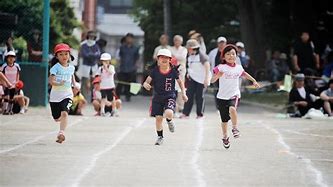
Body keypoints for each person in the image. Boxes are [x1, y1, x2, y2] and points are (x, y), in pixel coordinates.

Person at [211, 44, 260, 149]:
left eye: (233, 54)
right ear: (223, 57)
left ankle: (234, 128)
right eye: (228, 54)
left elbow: (244, 74)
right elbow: (212, 80)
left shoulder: (238, 67)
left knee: (232, 109)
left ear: (236, 56)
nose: (231, 56)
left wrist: (254, 81)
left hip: (234, 94)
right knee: (224, 120)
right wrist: (217, 76)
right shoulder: (220, 67)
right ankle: (225, 136)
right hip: (221, 97)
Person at [143, 49, 188, 145]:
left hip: (169, 96)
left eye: (166, 58)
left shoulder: (173, 71)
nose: (164, 59)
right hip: (157, 97)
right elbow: (147, 82)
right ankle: (160, 137)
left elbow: (181, 83)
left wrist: (184, 93)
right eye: (161, 57)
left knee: (169, 113)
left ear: (170, 59)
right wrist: (146, 85)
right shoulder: (154, 71)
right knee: (158, 119)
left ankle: (169, 120)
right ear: (158, 59)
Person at [49, 43, 76, 144]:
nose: (64, 56)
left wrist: (75, 85)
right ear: (56, 56)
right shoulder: (55, 68)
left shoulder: (72, 68)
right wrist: (59, 83)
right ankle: (60, 123)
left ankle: (61, 133)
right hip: (55, 97)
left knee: (64, 113)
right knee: (57, 118)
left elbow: (72, 77)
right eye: (61, 54)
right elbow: (51, 81)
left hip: (67, 95)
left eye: (66, 54)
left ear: (69, 55)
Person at [181, 39, 210, 119]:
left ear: (192, 48)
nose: (187, 50)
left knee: (199, 96)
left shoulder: (202, 55)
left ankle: (200, 114)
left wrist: (206, 78)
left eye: (188, 48)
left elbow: (207, 66)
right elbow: (190, 66)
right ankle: (185, 113)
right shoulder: (189, 55)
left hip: (201, 79)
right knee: (189, 95)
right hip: (193, 78)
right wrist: (188, 73)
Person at [116, 33, 139, 102]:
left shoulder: (135, 48)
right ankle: (117, 96)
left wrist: (135, 66)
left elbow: (137, 58)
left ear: (132, 39)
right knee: (120, 83)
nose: (129, 39)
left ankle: (128, 96)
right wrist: (118, 66)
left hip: (131, 68)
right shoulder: (122, 47)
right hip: (123, 67)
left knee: (129, 83)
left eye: (130, 38)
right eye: (128, 38)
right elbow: (119, 57)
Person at [79, 30, 101, 100]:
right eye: (90, 36)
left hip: (94, 66)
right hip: (85, 66)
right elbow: (84, 54)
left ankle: (93, 98)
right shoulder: (84, 45)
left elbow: (98, 54)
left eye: (93, 36)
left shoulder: (96, 46)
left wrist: (90, 55)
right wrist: (92, 55)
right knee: (84, 83)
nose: (91, 38)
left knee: (94, 83)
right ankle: (83, 97)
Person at [170, 35, 188, 116]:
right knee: (172, 88)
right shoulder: (170, 48)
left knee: (181, 88)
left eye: (179, 40)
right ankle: (174, 106)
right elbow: (170, 57)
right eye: (176, 40)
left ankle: (181, 106)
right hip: (172, 70)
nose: (177, 42)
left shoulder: (184, 49)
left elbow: (182, 57)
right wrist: (174, 57)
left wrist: (174, 56)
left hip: (181, 71)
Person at [208, 36, 227, 109]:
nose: (221, 44)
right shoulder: (213, 52)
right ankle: (218, 106)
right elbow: (208, 63)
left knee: (226, 90)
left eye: (223, 43)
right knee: (217, 90)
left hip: (226, 75)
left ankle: (226, 105)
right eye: (220, 43)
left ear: (225, 43)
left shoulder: (229, 52)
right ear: (217, 44)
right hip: (216, 75)